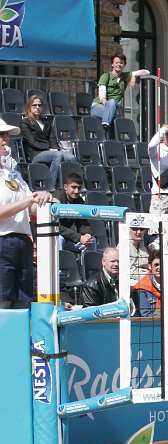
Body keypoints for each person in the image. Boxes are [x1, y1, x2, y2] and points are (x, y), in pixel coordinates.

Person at [0, 120, 52, 308]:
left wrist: (47, 200)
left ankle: (19, 338)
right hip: (2, 242)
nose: (6, 139)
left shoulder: (13, 172)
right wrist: (29, 200)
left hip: (22, 241)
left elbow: (30, 206)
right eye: (1, 135)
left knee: (24, 302)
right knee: (4, 303)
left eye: (7, 135)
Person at [20, 93, 76, 189]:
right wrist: (49, 148)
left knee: (71, 157)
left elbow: (52, 138)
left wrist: (54, 148)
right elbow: (32, 142)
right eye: (34, 105)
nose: (37, 107)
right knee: (57, 155)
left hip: (49, 151)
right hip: (36, 153)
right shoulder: (25, 122)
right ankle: (51, 186)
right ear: (29, 107)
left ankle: (72, 184)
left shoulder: (46, 122)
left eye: (39, 105)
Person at [53, 173, 96, 254]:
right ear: (65, 187)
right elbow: (56, 226)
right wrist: (79, 237)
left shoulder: (79, 201)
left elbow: (83, 222)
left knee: (92, 241)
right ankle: (60, 266)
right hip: (58, 237)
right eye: (73, 187)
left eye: (79, 188)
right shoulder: (57, 199)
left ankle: (90, 266)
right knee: (60, 239)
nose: (76, 191)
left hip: (71, 238)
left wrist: (87, 234)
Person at [90, 53, 137, 126]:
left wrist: (133, 76)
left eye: (121, 63)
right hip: (98, 107)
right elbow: (102, 93)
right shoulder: (106, 76)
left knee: (115, 113)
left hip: (113, 110)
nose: (119, 64)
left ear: (124, 65)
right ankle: (106, 123)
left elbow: (145, 72)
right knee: (112, 103)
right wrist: (106, 104)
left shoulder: (124, 76)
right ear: (112, 64)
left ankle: (107, 126)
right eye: (117, 62)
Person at [131, 250, 162, 317]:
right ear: (150, 266)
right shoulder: (141, 288)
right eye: (156, 265)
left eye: (162, 264)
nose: (159, 268)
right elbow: (145, 314)